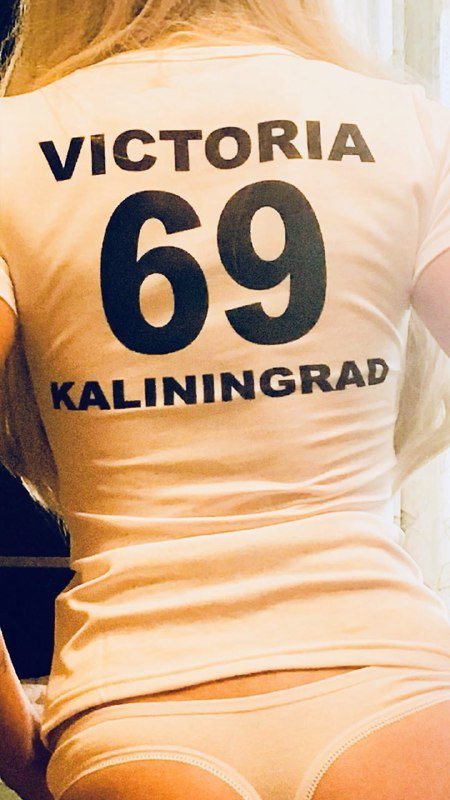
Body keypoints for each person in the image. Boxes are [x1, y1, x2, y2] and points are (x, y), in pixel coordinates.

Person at [0, 1, 450, 798]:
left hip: (133, 710)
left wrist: (17, 756)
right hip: (396, 684)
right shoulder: (401, 126)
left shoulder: (14, 147)